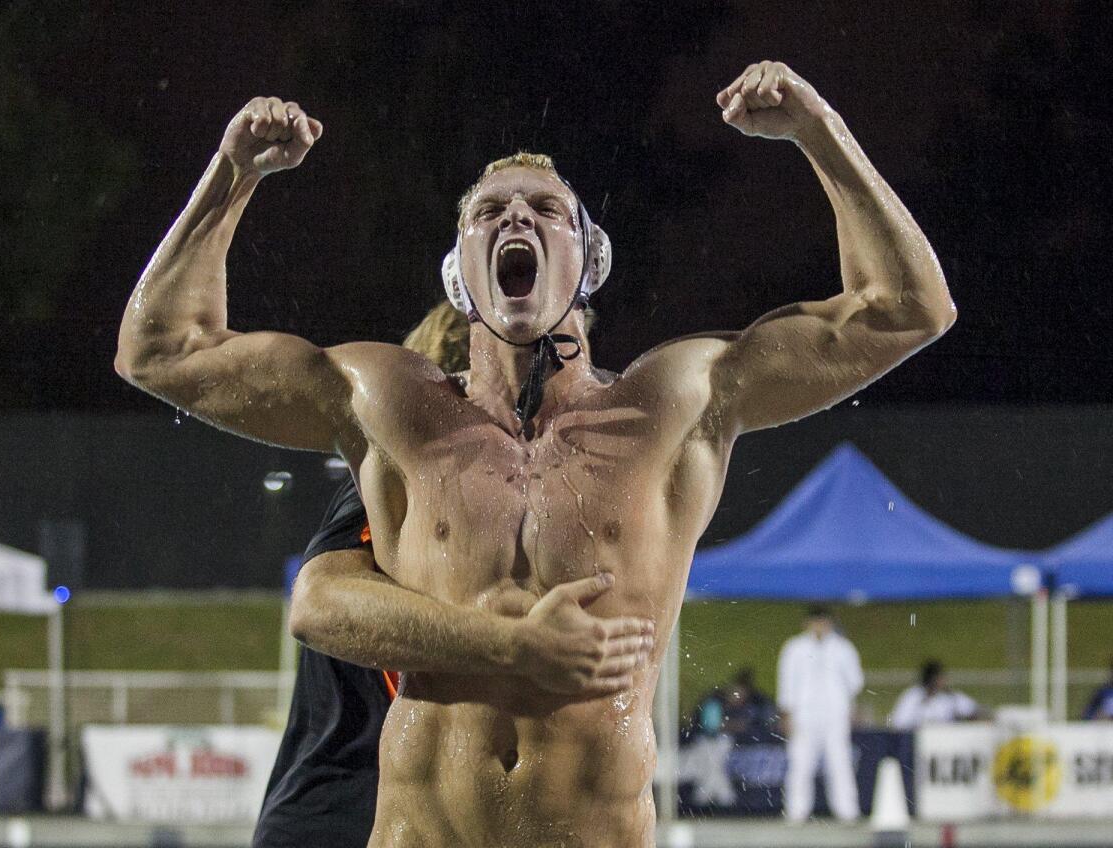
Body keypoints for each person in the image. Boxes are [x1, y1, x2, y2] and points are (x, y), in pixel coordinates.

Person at [116, 59, 955, 846]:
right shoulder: (390, 402)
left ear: (589, 260)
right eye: (490, 211)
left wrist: (819, 130)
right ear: (459, 277)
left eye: (545, 208)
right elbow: (161, 351)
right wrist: (233, 173)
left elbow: (906, 309)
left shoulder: (675, 402)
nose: (516, 215)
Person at [254, 303, 637, 848]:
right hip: (343, 814)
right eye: (554, 370)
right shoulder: (419, 473)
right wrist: (516, 644)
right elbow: (317, 602)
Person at [777, 605, 864, 823]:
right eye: (815, 621)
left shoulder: (843, 648)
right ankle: (796, 812)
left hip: (835, 714)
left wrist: (847, 704)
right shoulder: (794, 648)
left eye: (823, 621)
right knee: (800, 763)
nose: (819, 626)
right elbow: (786, 681)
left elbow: (855, 681)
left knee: (840, 761)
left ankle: (847, 811)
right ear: (807, 623)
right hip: (804, 714)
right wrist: (786, 712)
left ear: (830, 623)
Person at [889, 659, 983, 730]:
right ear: (931, 679)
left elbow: (974, 710)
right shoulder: (912, 696)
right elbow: (899, 723)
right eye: (940, 677)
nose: (943, 681)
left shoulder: (949, 697)